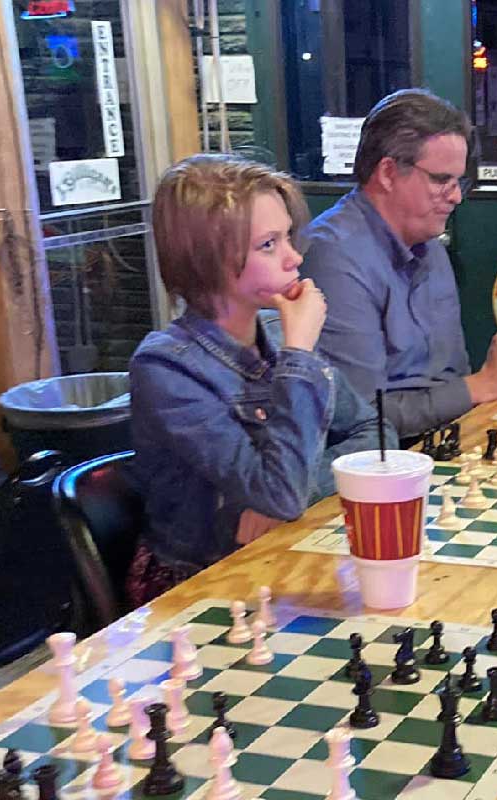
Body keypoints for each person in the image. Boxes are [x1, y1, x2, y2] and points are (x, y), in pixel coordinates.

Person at [128, 154, 395, 605]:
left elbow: (378, 433)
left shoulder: (274, 331)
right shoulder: (166, 368)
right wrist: (299, 355)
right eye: (269, 244)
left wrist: (287, 499)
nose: (294, 257)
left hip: (280, 556)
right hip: (196, 589)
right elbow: (280, 492)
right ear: (207, 260)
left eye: (287, 236)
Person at [301, 89, 497, 440]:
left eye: (460, 182)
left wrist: (482, 387)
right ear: (388, 172)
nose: (456, 196)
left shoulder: (431, 244)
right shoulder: (334, 256)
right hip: (384, 468)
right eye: (442, 180)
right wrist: (481, 385)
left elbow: (451, 376)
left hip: (444, 441)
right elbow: (360, 418)